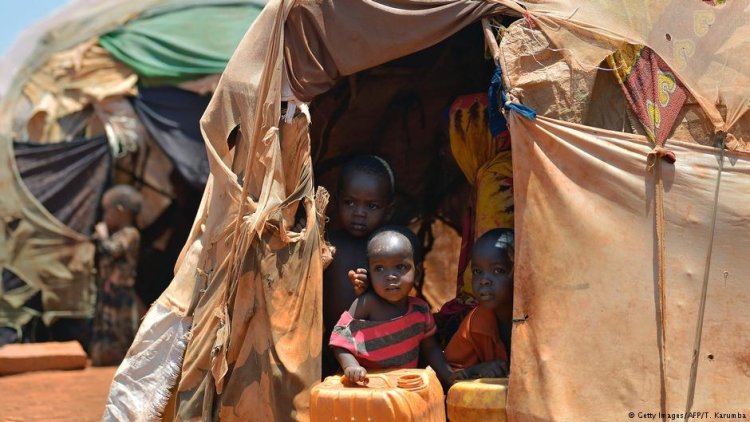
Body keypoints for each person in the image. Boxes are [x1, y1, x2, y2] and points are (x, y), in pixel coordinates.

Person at [329, 226, 453, 385]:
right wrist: (351, 367)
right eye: (379, 268)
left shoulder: (420, 310)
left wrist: (449, 375)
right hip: (366, 387)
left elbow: (431, 349)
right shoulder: (367, 304)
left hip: (404, 388)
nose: (390, 276)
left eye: (401, 267)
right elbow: (339, 341)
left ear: (418, 273)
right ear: (370, 274)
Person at [321, 154, 395, 377]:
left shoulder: (391, 248)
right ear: (336, 201)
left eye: (371, 206)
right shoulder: (327, 245)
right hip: (333, 349)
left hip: (380, 352)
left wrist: (371, 286)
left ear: (388, 209)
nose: (359, 213)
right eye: (350, 203)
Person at [443, 228, 514, 379]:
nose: (483, 280)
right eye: (477, 271)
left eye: (498, 270)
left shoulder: (538, 320)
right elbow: (451, 372)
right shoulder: (475, 322)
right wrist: (478, 369)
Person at [89, 185, 144, 366]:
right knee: (106, 327)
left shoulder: (130, 234)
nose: (105, 216)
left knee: (119, 329)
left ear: (120, 211)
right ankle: (103, 359)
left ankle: (119, 364)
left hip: (120, 293)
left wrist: (102, 237)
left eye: (107, 211)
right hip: (110, 291)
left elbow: (113, 251)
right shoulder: (119, 234)